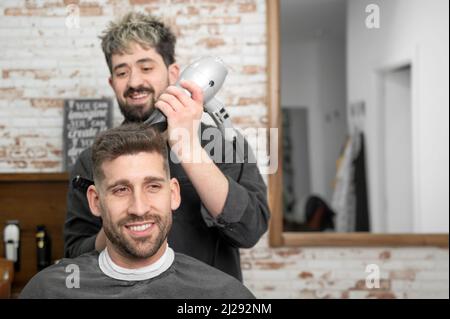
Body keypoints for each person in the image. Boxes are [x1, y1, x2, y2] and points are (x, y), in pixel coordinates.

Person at [64, 12, 270, 281]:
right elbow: (75, 256)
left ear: (174, 73)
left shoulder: (222, 144)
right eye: (122, 71)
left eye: (146, 67)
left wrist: (188, 147)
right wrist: (119, 220)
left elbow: (250, 229)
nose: (135, 82)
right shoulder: (91, 160)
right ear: (112, 83)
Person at [20, 124, 254, 298]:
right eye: (121, 190)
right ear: (95, 201)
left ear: (173, 194)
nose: (139, 208)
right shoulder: (47, 291)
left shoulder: (225, 295)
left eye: (152, 186)